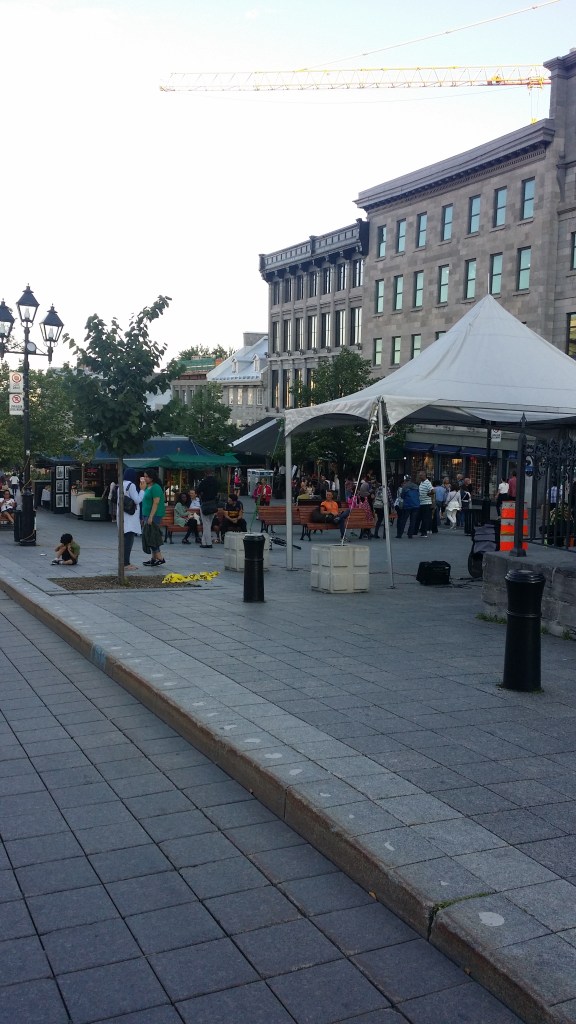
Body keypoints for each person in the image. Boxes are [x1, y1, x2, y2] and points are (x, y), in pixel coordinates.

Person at [141, 468, 166, 566]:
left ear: (152, 477)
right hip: (146, 514)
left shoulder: (156, 487)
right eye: (144, 476)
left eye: (147, 476)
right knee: (150, 536)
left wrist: (151, 516)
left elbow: (156, 502)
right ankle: (154, 558)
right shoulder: (147, 487)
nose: (145, 478)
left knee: (152, 536)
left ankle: (160, 557)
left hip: (154, 515)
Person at [118, 468, 142, 569]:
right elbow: (137, 500)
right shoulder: (131, 485)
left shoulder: (121, 485)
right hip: (130, 517)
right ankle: (126, 563)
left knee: (124, 541)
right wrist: (143, 490)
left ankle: (123, 562)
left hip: (122, 515)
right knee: (129, 540)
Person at [197, 468, 219, 548]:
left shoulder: (204, 482)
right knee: (208, 523)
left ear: (205, 473)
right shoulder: (216, 482)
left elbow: (198, 491)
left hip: (205, 504)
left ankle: (208, 543)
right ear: (212, 473)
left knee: (206, 524)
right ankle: (204, 542)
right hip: (213, 504)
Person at [415, 471, 433, 536]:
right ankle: (416, 531)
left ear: (424, 475)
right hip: (421, 502)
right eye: (419, 475)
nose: (420, 477)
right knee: (418, 517)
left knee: (425, 518)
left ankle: (424, 532)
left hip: (426, 503)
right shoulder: (421, 483)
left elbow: (433, 490)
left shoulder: (427, 482)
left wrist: (429, 494)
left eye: (421, 475)